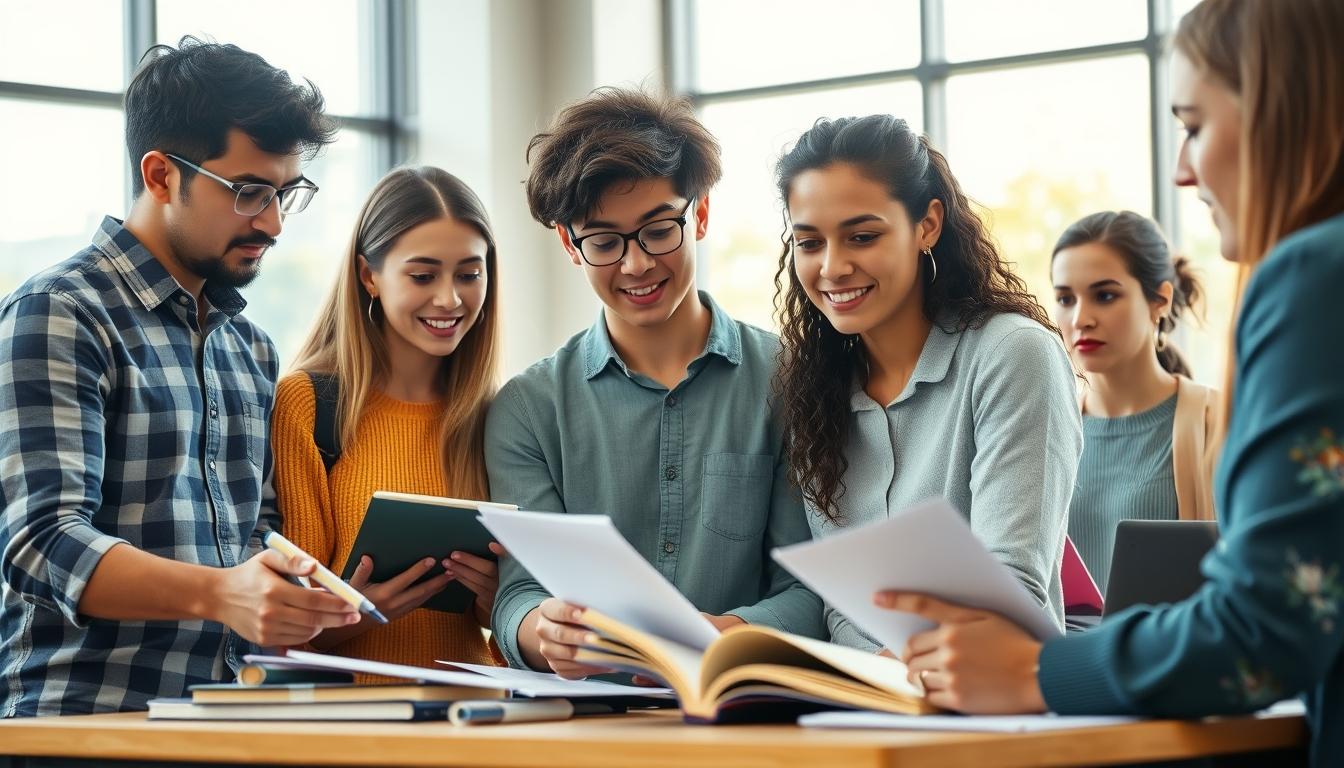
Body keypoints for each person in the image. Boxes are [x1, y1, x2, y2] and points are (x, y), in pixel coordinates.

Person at [877, 1, 1344, 764]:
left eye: (1194, 125)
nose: (1182, 168)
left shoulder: (1313, 276)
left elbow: (1268, 626)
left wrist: (1037, 668)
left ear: (1280, 109)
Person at [0, 38, 351, 716]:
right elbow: (40, 544)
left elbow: (255, 538)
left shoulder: (247, 346)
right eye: (249, 192)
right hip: (84, 726)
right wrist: (223, 592)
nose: (274, 222)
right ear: (161, 175)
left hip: (223, 722)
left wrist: (298, 596)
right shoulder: (60, 314)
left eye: (286, 193)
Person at [486, 88, 824, 677]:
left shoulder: (791, 380)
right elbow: (518, 593)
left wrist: (728, 633)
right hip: (587, 729)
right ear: (570, 244)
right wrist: (544, 631)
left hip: (746, 711)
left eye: (658, 229)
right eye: (604, 241)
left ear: (701, 215)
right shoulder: (529, 409)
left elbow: (812, 589)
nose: (636, 264)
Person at [772, 114, 1081, 648]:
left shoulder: (1012, 354)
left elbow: (1010, 588)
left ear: (927, 225)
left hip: (994, 709)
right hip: (862, 713)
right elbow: (844, 610)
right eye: (809, 243)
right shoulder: (814, 391)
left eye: (862, 236)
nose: (833, 267)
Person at [272, 167, 505, 668]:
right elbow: (284, 627)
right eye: (423, 276)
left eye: (469, 274)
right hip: (354, 727)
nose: (450, 299)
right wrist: (358, 614)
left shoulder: (498, 416)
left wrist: (504, 608)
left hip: (477, 725)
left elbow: (520, 638)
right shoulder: (309, 404)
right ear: (368, 276)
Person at [1051, 211, 1219, 590]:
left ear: (1159, 300)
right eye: (1065, 298)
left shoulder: (1219, 423)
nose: (1080, 318)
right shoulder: (1048, 430)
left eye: (1105, 295)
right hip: (1060, 651)